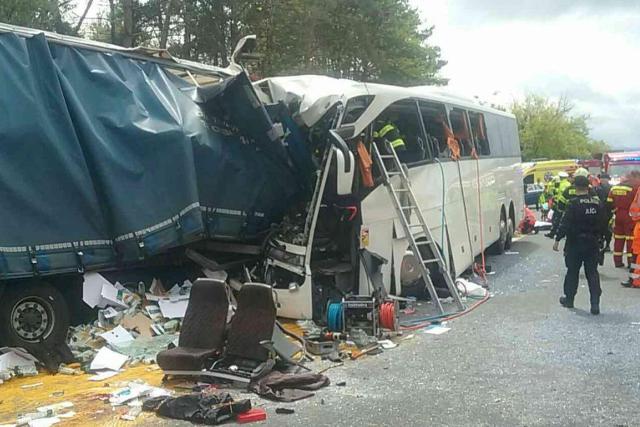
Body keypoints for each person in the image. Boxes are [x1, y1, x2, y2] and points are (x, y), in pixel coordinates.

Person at [553, 175, 607, 314]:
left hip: (575, 243)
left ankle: (569, 299)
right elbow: (604, 223)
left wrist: (557, 239)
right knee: (592, 273)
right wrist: (605, 241)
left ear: (576, 187)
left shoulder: (573, 203)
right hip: (592, 243)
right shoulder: (597, 203)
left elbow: (565, 223)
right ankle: (595, 304)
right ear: (588, 187)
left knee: (572, 272)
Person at [606, 173, 639, 267]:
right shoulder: (633, 188)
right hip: (629, 215)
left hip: (618, 215)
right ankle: (630, 262)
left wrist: (614, 210)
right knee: (630, 239)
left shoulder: (614, 188)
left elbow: (609, 202)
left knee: (618, 238)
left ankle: (617, 262)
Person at [596, 173, 613, 252]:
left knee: (607, 229)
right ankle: (600, 241)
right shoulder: (597, 187)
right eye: (602, 178)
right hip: (599, 211)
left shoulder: (611, 188)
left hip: (608, 211)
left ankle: (607, 244)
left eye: (604, 178)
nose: (603, 180)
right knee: (599, 227)